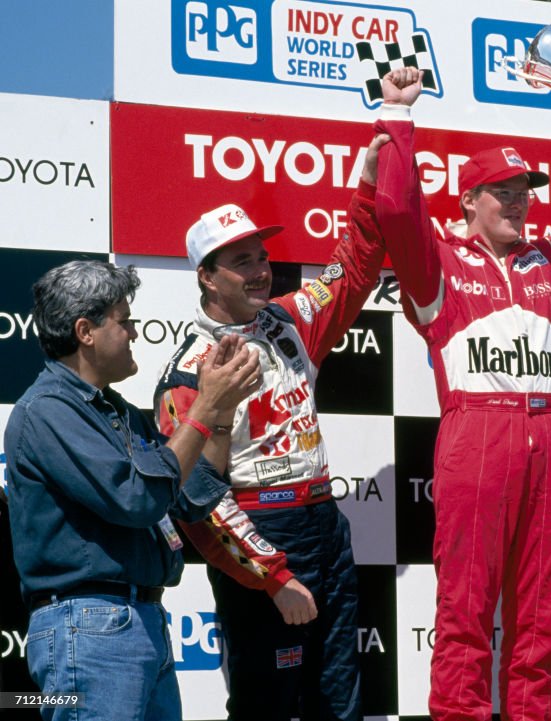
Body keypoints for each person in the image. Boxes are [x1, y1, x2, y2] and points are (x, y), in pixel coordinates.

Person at [372, 66, 551, 720]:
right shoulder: (439, 263)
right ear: (469, 202)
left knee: (540, 626)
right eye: (501, 191)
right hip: (477, 435)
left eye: (524, 189)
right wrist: (396, 114)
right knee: (466, 619)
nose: (518, 201)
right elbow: (393, 208)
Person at [153, 137, 387, 720]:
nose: (261, 272)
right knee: (268, 704)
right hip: (262, 531)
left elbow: (352, 271)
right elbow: (196, 500)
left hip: (324, 524)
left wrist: (367, 186)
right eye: (242, 262)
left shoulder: (287, 318)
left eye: (261, 257)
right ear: (207, 277)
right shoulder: (189, 372)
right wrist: (271, 575)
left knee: (340, 696)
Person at [5, 260, 258, 721]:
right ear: (86, 331)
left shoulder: (118, 412)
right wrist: (203, 405)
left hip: (140, 621)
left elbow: (191, 497)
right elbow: (137, 499)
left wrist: (220, 414)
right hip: (89, 626)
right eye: (125, 322)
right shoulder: (46, 410)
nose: (136, 333)